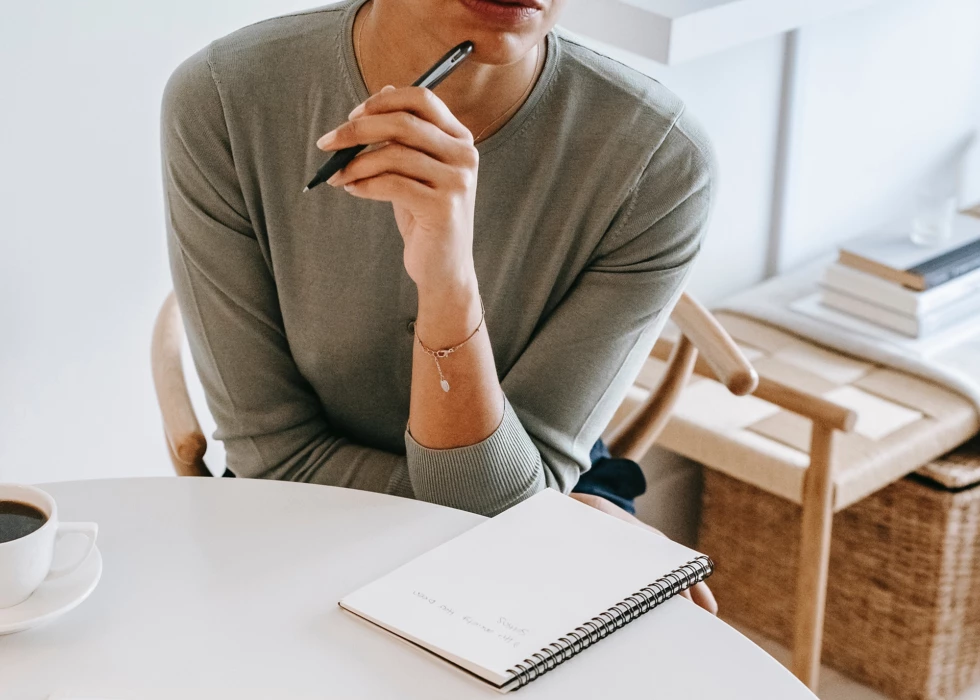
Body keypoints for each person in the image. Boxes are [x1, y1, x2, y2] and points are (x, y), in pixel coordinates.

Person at [161, 0, 716, 612]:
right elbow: (275, 454)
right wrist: (535, 515)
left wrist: (449, 285)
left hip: (531, 512)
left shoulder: (659, 160)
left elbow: (514, 506)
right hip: (312, 509)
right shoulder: (224, 97)